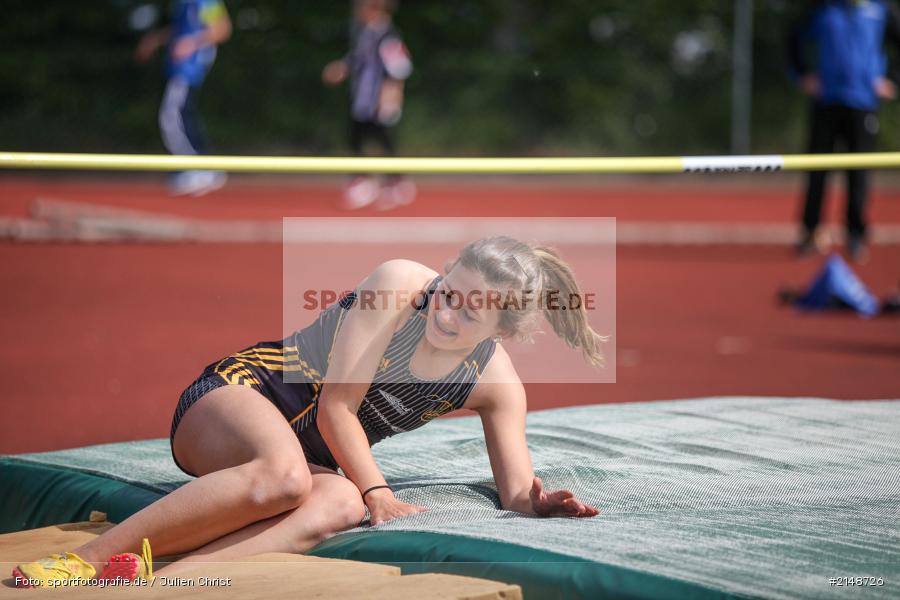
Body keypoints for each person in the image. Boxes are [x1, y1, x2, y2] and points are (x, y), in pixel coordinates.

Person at [12, 236, 603, 587]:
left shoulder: (496, 385)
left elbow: (516, 493)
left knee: (339, 502)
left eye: (470, 314)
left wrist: (538, 502)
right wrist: (379, 491)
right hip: (235, 399)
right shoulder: (399, 285)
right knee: (293, 477)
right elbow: (336, 408)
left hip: (302, 458)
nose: (446, 314)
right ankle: (85, 561)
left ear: (501, 331)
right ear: (444, 273)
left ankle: (165, 583)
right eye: (449, 293)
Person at [788, 0, 900, 262]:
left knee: (859, 172)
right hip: (826, 102)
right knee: (817, 169)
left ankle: (855, 234)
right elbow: (793, 39)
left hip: (863, 104)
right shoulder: (822, 8)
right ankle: (811, 231)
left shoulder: (881, 10)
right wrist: (803, 74)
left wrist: (893, 80)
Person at [323, 0, 416, 210]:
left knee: (384, 141)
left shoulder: (388, 35)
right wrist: (341, 68)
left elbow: (399, 69)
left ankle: (396, 183)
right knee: (356, 138)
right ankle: (363, 181)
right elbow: (357, 59)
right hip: (362, 99)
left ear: (375, 8)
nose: (358, 11)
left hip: (378, 100)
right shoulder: (366, 33)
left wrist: (390, 97)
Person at [136, 0, 232, 197]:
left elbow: (222, 29)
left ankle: (197, 168)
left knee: (171, 116)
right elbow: (181, 30)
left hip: (189, 68)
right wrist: (157, 39)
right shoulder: (183, 3)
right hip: (180, 68)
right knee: (183, 116)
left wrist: (192, 43)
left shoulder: (205, 1)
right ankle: (201, 167)